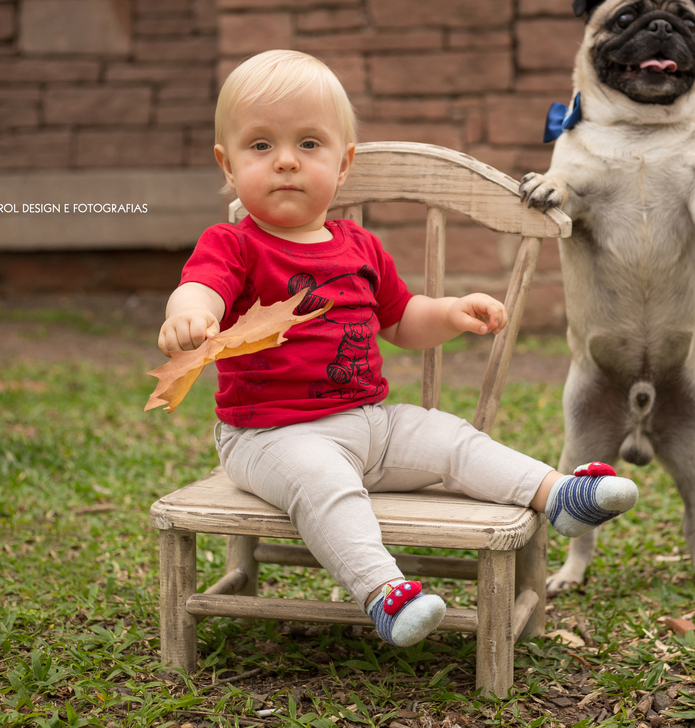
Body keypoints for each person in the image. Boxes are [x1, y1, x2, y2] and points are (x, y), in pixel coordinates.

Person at [157, 49, 639, 647]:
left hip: (370, 425)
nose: (285, 160)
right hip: (269, 437)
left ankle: (557, 494)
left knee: (450, 437)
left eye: (308, 143)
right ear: (228, 166)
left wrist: (450, 313)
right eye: (260, 145)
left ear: (343, 163)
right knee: (321, 481)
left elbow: (402, 319)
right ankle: (384, 593)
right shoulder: (233, 244)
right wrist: (190, 313)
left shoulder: (359, 246)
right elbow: (201, 287)